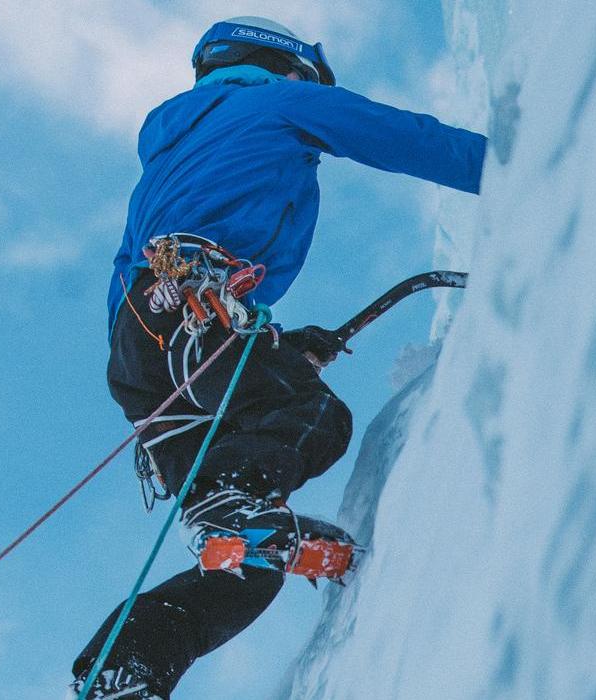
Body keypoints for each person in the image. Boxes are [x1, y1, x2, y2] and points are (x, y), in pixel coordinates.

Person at [70, 16, 486, 699]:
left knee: (245, 556)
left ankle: (126, 673)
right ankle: (233, 504)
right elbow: (407, 138)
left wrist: (277, 347)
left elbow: (142, 270)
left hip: (146, 347)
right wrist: (526, 166)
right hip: (189, 308)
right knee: (310, 414)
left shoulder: (174, 150)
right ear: (281, 65)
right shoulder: (276, 99)